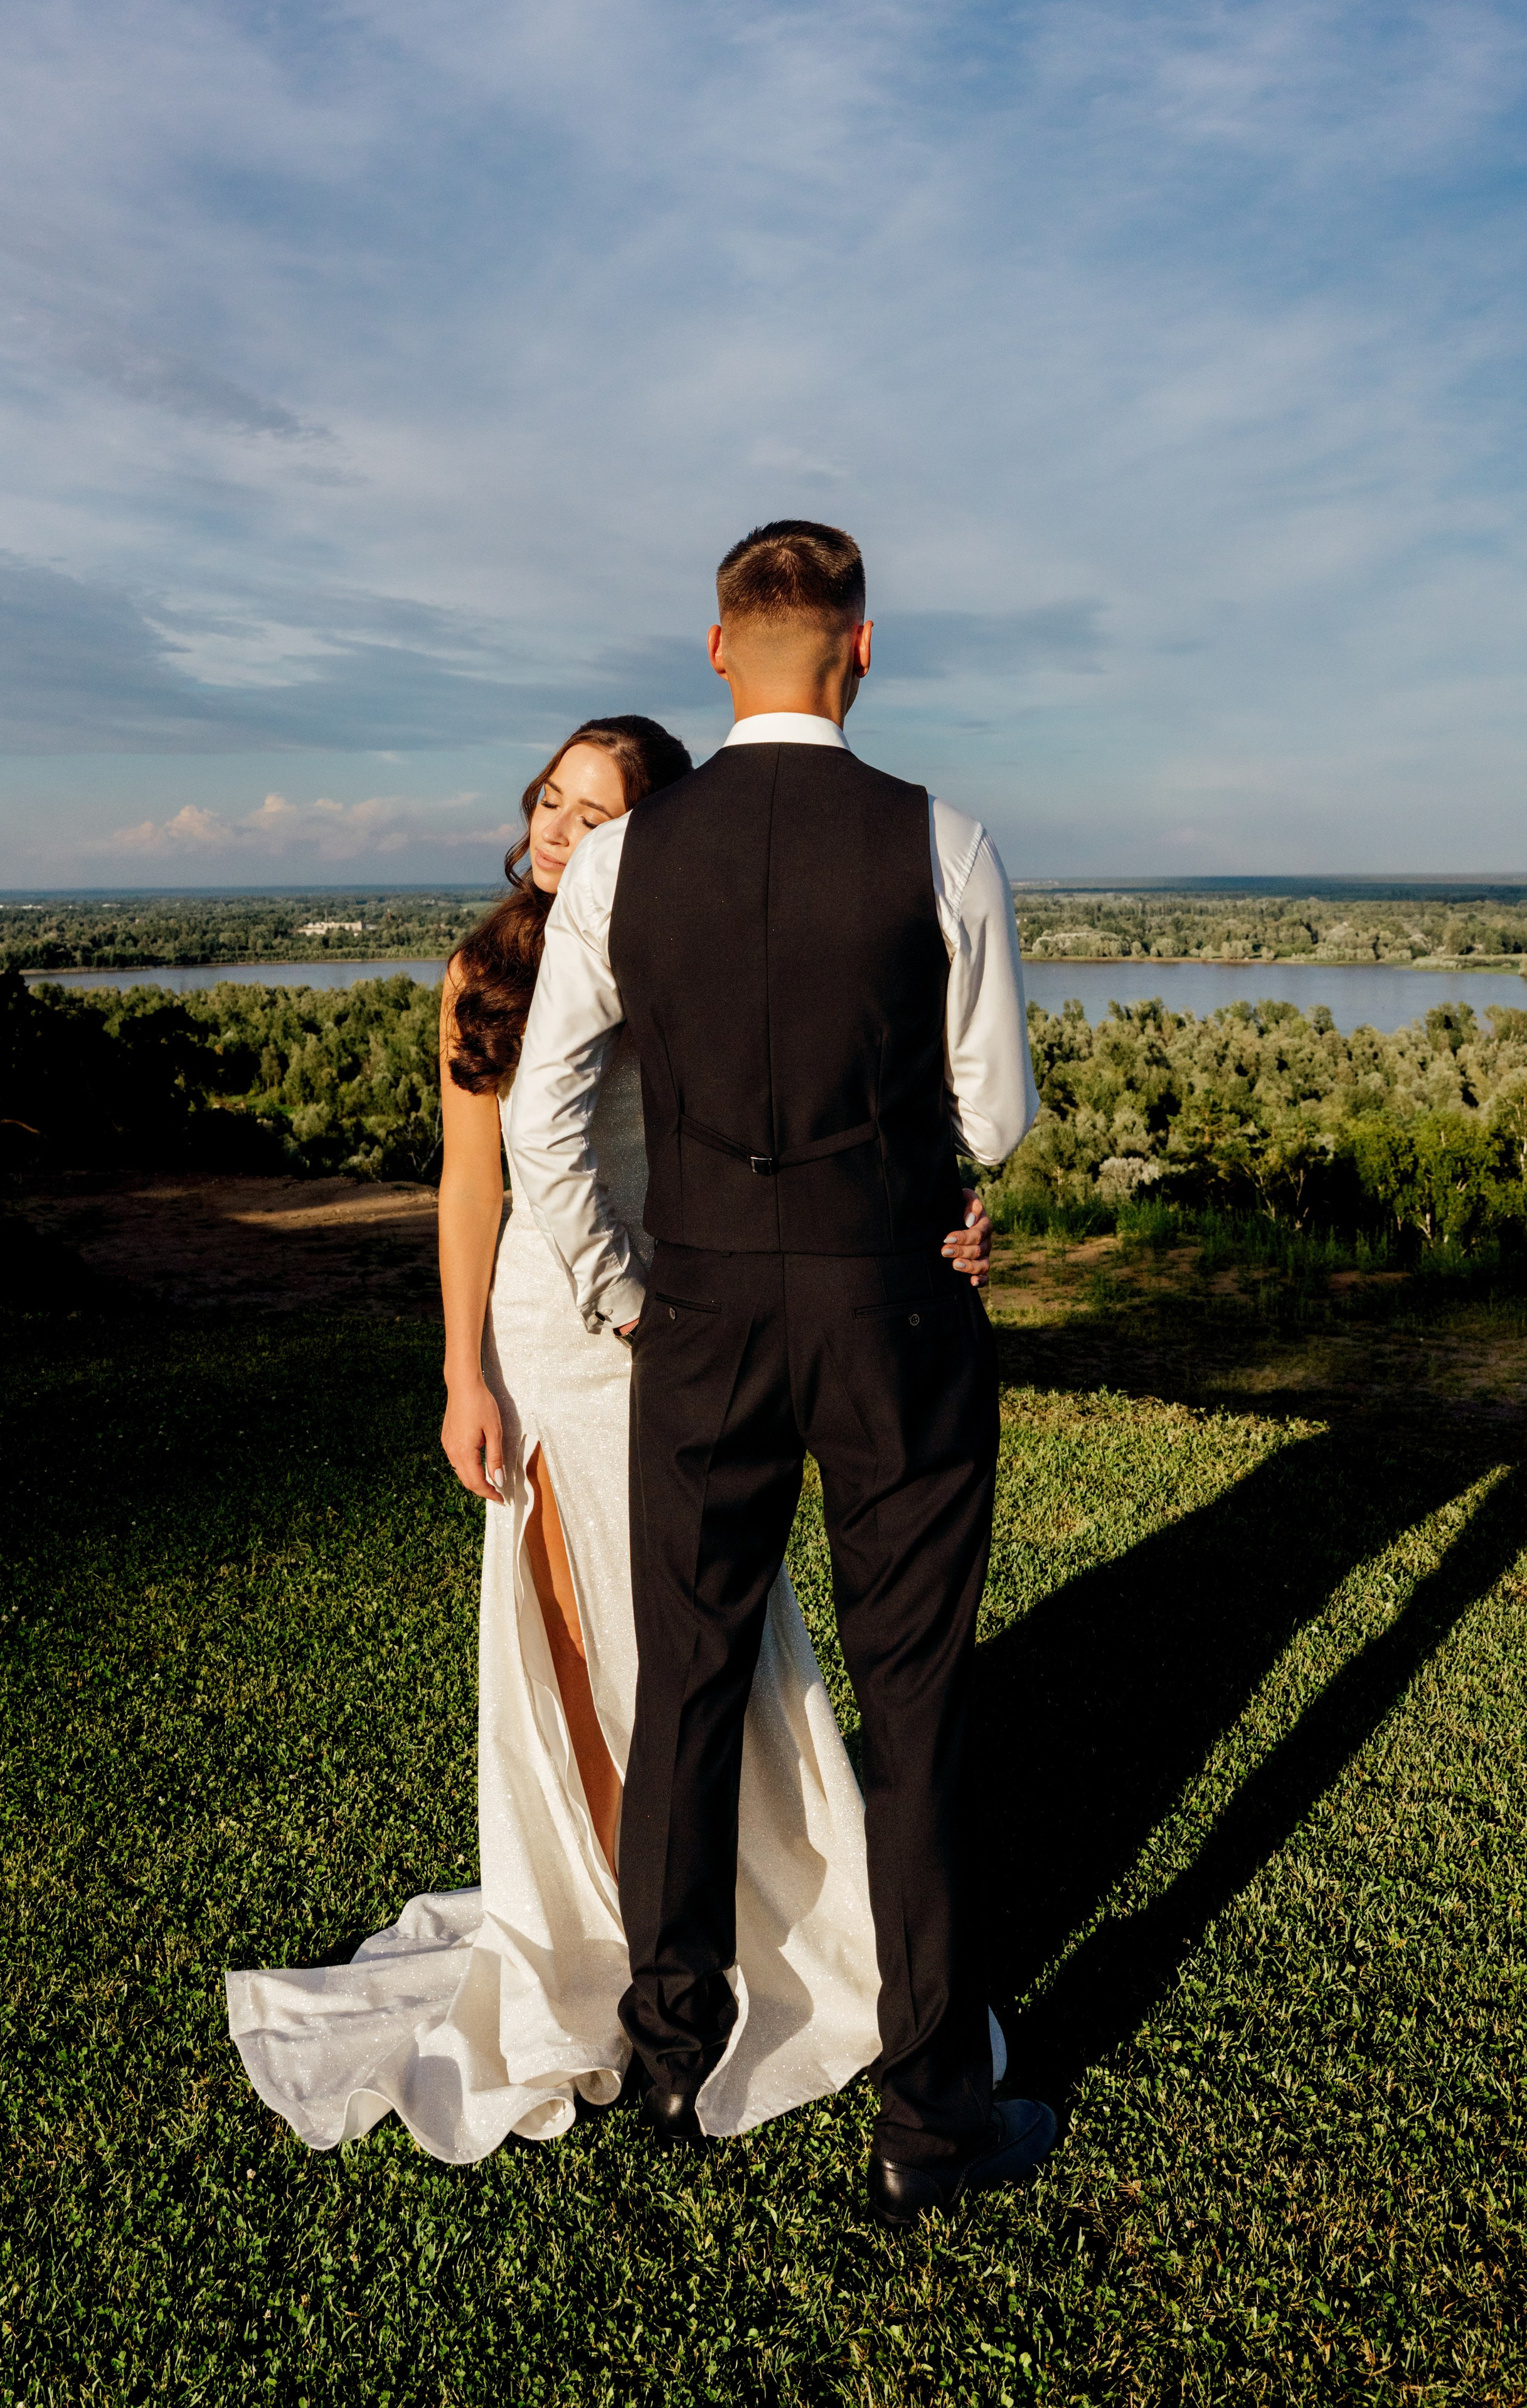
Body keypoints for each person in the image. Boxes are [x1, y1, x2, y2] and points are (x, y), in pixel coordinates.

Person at [225, 711, 998, 2163]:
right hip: (545, 1329)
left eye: (595, 813)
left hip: (683, 1326)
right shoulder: (487, 967)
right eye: (549, 800)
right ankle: (596, 1923)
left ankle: (730, 1937)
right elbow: (473, 1182)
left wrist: (929, 1211)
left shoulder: (685, 943)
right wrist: (461, 1369)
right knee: (571, 1636)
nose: (557, 830)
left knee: (688, 1652)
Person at [508, 525, 1059, 2229]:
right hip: (893, 1304)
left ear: (716, 648)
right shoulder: (939, 836)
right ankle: (929, 2114)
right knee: (918, 1693)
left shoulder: (621, 863)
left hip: (698, 1316)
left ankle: (674, 2048)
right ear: (861, 649)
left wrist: (622, 1286)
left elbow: (542, 1115)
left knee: (684, 1677)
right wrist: (918, 1183)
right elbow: (997, 1113)